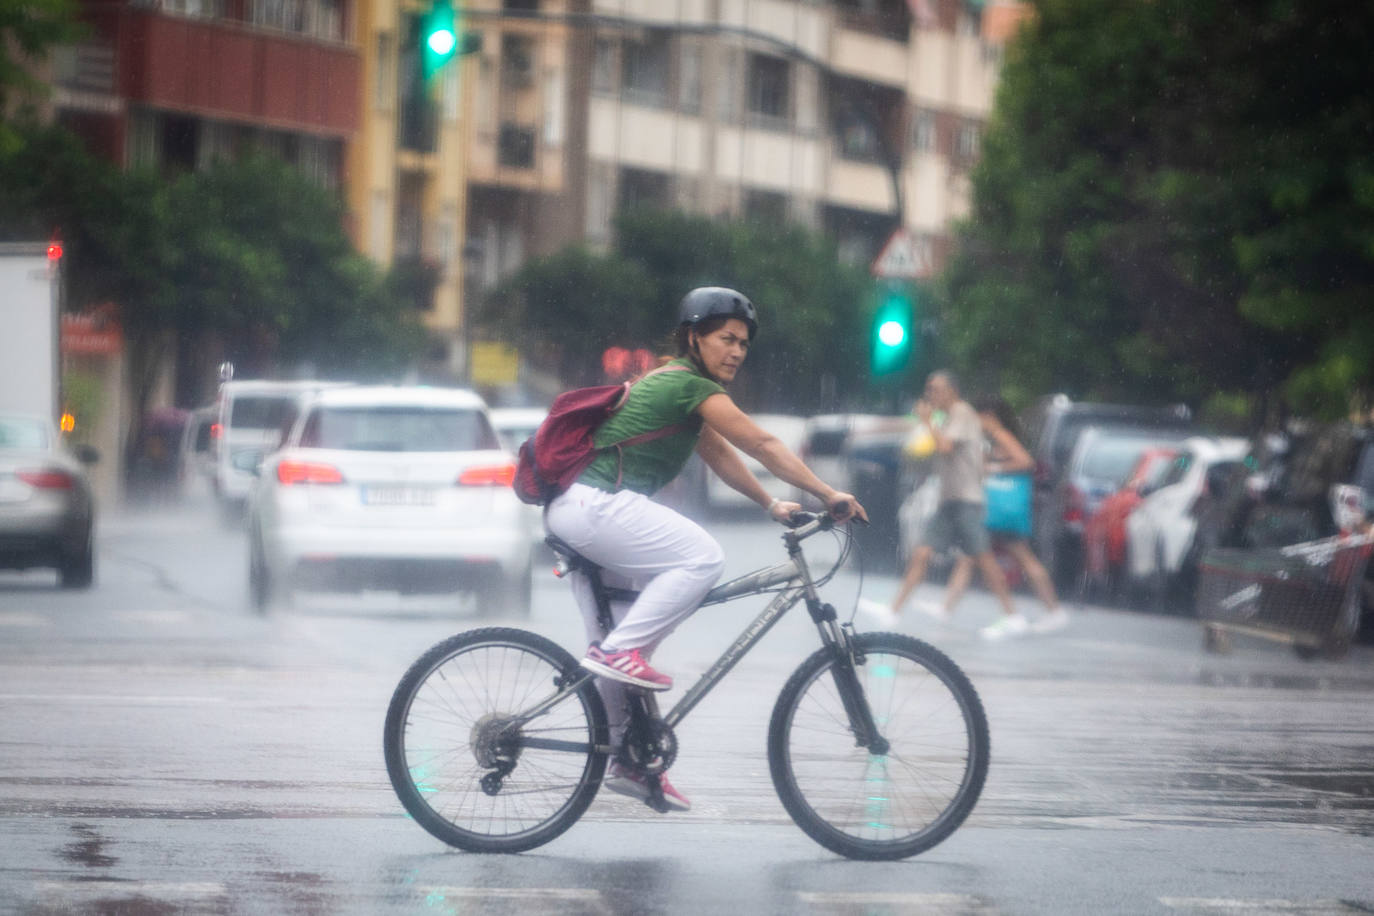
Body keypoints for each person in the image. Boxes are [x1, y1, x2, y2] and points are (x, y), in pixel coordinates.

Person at [544, 286, 868, 813]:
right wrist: (828, 492)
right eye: (726, 339)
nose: (737, 351)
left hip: (586, 511)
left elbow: (719, 454)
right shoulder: (686, 384)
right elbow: (760, 443)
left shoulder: (683, 394)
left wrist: (769, 502)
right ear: (694, 337)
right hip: (594, 506)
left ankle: (629, 759)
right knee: (700, 558)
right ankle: (615, 654)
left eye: (744, 343)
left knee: (627, 647)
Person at [860, 371, 1026, 639]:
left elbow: (946, 447)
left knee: (983, 558)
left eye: (936, 389)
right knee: (923, 553)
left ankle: (1012, 615)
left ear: (952, 391)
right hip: (950, 500)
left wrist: (927, 423)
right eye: (929, 390)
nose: (931, 395)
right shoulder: (950, 417)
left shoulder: (961, 413)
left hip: (966, 500)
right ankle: (893, 610)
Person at [937, 395, 1068, 634]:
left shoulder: (1001, 436)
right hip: (998, 510)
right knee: (970, 556)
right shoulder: (993, 439)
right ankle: (946, 608)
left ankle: (1041, 612)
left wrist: (992, 468)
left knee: (1008, 556)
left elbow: (1026, 462)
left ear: (988, 416)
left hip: (1002, 510)